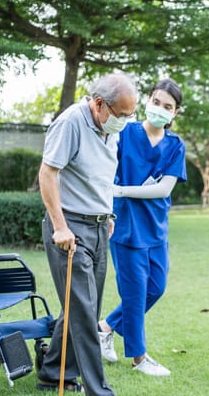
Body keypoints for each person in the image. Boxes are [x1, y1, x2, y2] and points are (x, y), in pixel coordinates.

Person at [36, 72, 138, 395]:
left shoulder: (111, 129)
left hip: (98, 227)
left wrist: (106, 213)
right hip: (70, 230)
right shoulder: (71, 123)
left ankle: (53, 372)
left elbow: (101, 176)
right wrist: (60, 226)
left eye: (129, 115)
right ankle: (99, 390)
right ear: (98, 104)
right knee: (84, 315)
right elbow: (47, 173)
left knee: (85, 309)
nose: (125, 122)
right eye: (121, 115)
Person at [97, 78, 186, 377]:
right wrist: (111, 201)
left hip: (156, 229)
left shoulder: (176, 146)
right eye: (157, 102)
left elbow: (164, 189)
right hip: (126, 228)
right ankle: (139, 357)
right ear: (148, 101)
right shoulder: (125, 134)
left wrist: (121, 191)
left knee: (155, 288)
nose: (160, 109)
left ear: (175, 114)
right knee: (135, 294)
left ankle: (105, 327)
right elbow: (105, 169)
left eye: (168, 107)